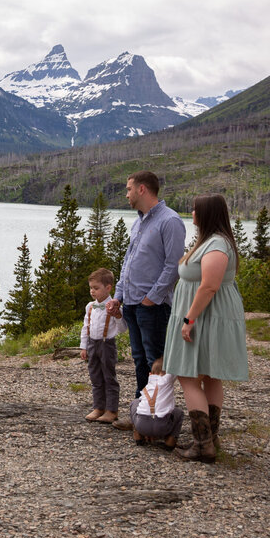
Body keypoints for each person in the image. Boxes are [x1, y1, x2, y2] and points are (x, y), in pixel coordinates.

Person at [162, 194, 249, 462]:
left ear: (207, 214)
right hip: (208, 316)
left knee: (189, 376)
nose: (192, 212)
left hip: (205, 317)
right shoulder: (212, 241)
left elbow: (210, 285)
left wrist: (189, 319)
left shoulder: (217, 244)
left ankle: (203, 444)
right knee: (210, 375)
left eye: (195, 209)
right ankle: (209, 438)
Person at [106, 171, 186, 431]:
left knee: (156, 361)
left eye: (128, 189)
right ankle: (142, 413)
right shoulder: (138, 222)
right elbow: (128, 264)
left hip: (152, 307)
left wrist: (152, 298)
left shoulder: (170, 221)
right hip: (130, 304)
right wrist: (118, 296)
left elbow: (173, 266)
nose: (126, 194)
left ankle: (160, 416)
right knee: (140, 359)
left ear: (142, 189)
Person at [79, 267, 119, 423]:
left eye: (96, 288)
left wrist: (118, 315)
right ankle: (98, 407)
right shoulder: (90, 306)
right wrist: (84, 346)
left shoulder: (115, 306)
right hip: (92, 344)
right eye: (91, 288)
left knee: (109, 377)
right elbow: (85, 327)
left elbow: (122, 328)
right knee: (95, 376)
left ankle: (111, 410)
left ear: (108, 288)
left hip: (107, 344)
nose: (92, 291)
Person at [129, 357, 183, 449]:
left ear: (150, 374)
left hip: (141, 425)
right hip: (162, 426)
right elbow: (175, 369)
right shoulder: (167, 380)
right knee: (179, 412)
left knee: (135, 402)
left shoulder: (148, 384)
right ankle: (170, 441)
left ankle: (138, 434)